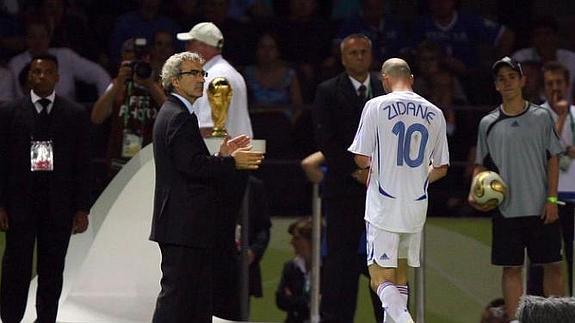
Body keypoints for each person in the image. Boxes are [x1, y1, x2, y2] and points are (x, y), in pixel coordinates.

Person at [149, 51, 263, 323]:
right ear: (175, 81)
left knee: (194, 299)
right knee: (177, 300)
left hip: (186, 224)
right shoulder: (177, 116)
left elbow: (191, 164)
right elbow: (192, 166)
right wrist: (231, 162)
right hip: (183, 225)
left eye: (202, 73)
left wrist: (222, 156)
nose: (202, 79)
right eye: (194, 74)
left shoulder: (176, 113)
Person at [349, 57, 450, 323]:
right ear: (412, 79)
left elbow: (360, 157)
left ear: (384, 79)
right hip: (416, 205)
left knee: (379, 278)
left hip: (384, 204)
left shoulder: (376, 105)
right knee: (400, 277)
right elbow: (441, 167)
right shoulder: (435, 112)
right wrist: (416, 177)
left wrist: (381, 168)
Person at [468, 56, 564, 321]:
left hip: (541, 207)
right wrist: (473, 190)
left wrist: (552, 199)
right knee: (511, 268)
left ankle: (556, 318)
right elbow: (480, 165)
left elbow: (553, 158)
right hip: (506, 209)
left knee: (552, 266)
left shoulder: (542, 116)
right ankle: (515, 319)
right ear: (496, 86)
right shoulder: (488, 123)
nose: (507, 82)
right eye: (501, 79)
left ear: (523, 81)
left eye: (512, 77)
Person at [0, 53, 91, 323]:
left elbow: (82, 164)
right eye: (36, 72)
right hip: (19, 204)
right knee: (16, 266)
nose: (41, 77)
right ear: (29, 77)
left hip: (58, 205)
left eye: (47, 72)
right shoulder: (8, 113)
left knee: (52, 269)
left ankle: (46, 320)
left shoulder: (74, 114)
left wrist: (82, 207)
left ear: (57, 77)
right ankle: (10, 318)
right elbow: (1, 160)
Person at [312, 33, 385, 323]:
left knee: (383, 265)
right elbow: (325, 139)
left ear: (371, 55)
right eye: (353, 53)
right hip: (343, 191)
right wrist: (355, 171)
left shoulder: (385, 89)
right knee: (340, 267)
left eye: (364, 51)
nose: (359, 57)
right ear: (343, 58)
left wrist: (376, 173)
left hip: (382, 192)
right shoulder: (327, 91)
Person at [528, 61, 575, 296]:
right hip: (548, 199)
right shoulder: (536, 116)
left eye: (559, 83)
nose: (555, 87)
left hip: (574, 195)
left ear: (568, 85)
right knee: (547, 259)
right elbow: (544, 150)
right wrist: (562, 115)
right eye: (549, 83)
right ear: (543, 87)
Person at [91, 38, 166, 178]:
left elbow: (172, 116)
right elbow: (96, 118)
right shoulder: (117, 86)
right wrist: (118, 84)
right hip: (118, 163)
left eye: (142, 61)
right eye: (133, 63)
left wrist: (150, 85)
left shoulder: (160, 87)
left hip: (150, 162)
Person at [178, 21, 252, 138]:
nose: (186, 48)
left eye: (190, 43)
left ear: (204, 46)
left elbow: (208, 129)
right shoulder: (233, 73)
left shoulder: (211, 77)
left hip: (218, 152)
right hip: (238, 151)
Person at [8, 19, 111, 102]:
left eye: (42, 36)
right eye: (32, 37)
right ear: (26, 39)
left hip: (68, 119)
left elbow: (99, 74)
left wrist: (104, 107)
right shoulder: (15, 64)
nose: (38, 42)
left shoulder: (65, 56)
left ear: (49, 38)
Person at [512, 16, 575, 103]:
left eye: (547, 34)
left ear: (556, 37)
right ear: (532, 39)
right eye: (538, 34)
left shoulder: (572, 59)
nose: (543, 39)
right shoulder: (520, 57)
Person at [276, 217, 313, 323]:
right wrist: (308, 302)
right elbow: (281, 300)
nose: (292, 242)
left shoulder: (327, 269)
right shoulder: (290, 267)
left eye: (297, 238)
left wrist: (294, 299)